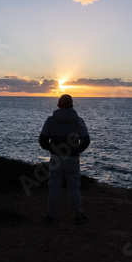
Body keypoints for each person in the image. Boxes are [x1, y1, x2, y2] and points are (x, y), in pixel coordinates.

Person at [39, 94, 90, 225]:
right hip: (72, 159)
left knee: (54, 188)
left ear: (58, 104)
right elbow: (86, 140)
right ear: (72, 104)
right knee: (74, 189)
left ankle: (50, 216)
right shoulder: (79, 121)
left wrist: (52, 150)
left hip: (56, 159)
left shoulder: (50, 121)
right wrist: (77, 150)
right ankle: (78, 215)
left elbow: (43, 140)